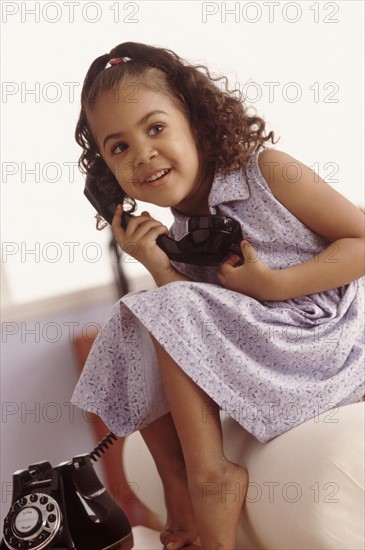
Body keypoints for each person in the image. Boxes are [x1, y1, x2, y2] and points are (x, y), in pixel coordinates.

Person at [72, 41, 365, 549]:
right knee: (134, 315)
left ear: (195, 120)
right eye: (118, 148)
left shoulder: (267, 172)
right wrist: (159, 264)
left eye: (156, 128)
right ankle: (179, 484)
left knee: (162, 307)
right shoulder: (183, 232)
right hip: (268, 353)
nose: (142, 154)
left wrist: (276, 284)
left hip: (327, 344)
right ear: (106, 175)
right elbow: (193, 333)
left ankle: (211, 478)